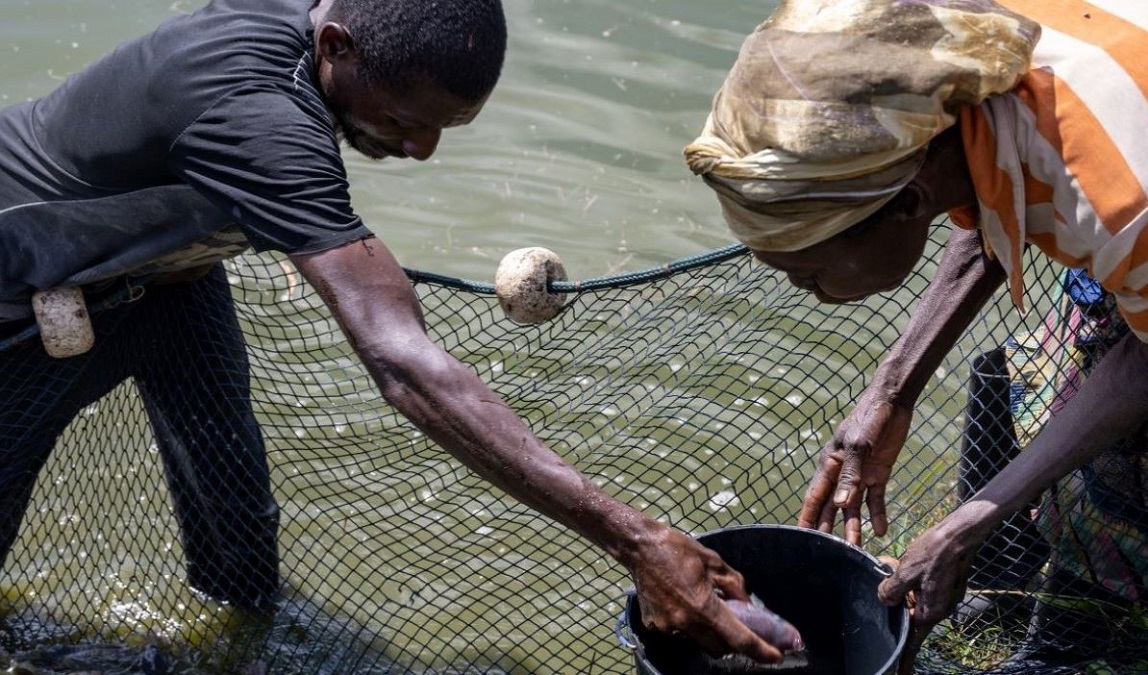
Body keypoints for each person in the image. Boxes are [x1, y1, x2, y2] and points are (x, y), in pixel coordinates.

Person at [0, 0, 783, 663]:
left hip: (174, 277)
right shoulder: (266, 119)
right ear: (336, 48)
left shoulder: (330, 28)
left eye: (446, 127)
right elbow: (405, 366)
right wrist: (636, 539)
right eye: (406, 119)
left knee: (238, 536)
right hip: (24, 292)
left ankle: (232, 647)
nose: (420, 149)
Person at [683, 0, 1148, 667]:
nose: (804, 290)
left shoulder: (1129, 193)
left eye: (807, 271)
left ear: (906, 203)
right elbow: (995, 195)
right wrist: (891, 391)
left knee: (1146, 444)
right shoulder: (949, 74)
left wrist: (968, 523)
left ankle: (1081, 642)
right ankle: (1006, 587)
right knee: (1034, 381)